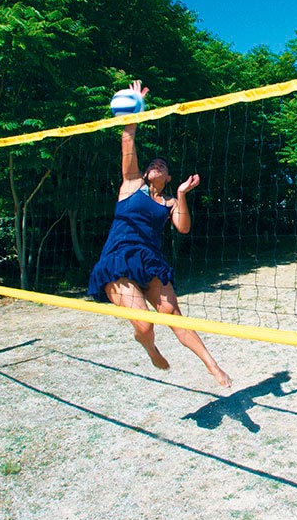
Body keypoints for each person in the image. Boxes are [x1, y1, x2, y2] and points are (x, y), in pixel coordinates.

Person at [88, 80, 232, 388]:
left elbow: (183, 228)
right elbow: (128, 142)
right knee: (144, 325)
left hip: (150, 262)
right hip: (118, 261)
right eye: (152, 164)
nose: (155, 165)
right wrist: (133, 112)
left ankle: (213, 366)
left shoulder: (168, 201)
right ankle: (150, 347)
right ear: (145, 172)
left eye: (162, 165)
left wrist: (181, 194)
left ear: (167, 177)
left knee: (174, 316)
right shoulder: (130, 185)